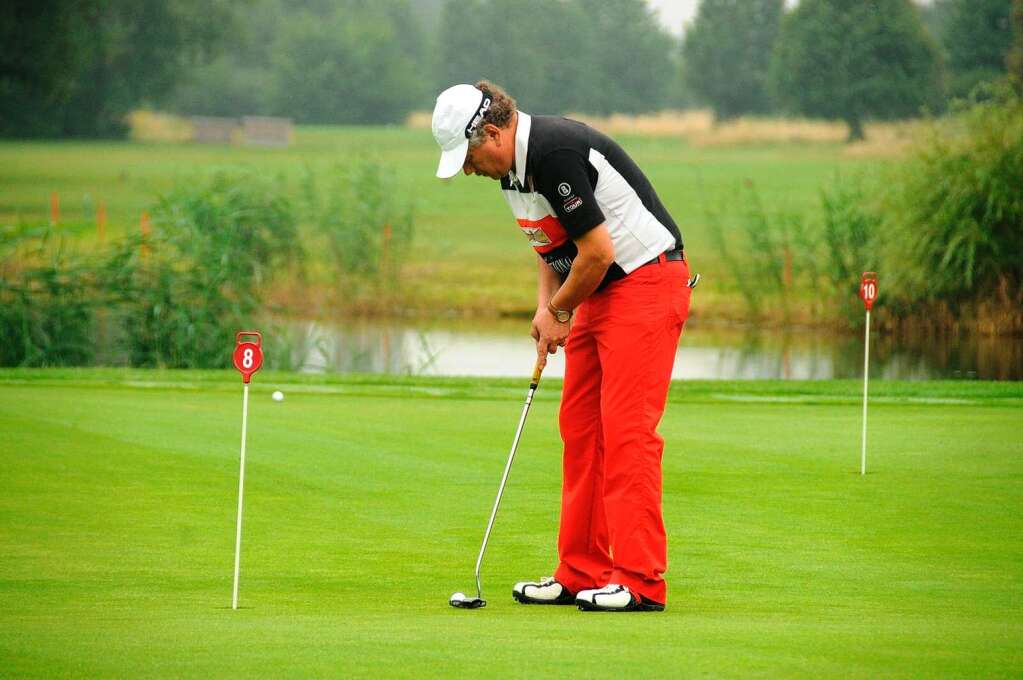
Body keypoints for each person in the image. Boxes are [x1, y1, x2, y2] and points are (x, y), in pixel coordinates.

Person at [431, 80, 693, 612]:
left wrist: (558, 312)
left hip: (645, 283)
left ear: (495, 132)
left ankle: (641, 580)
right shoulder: (511, 173)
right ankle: (580, 570)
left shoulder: (555, 153)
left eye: (469, 155)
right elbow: (549, 243)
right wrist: (545, 304)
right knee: (579, 430)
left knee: (626, 434)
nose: (467, 169)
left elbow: (596, 250)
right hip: (597, 289)